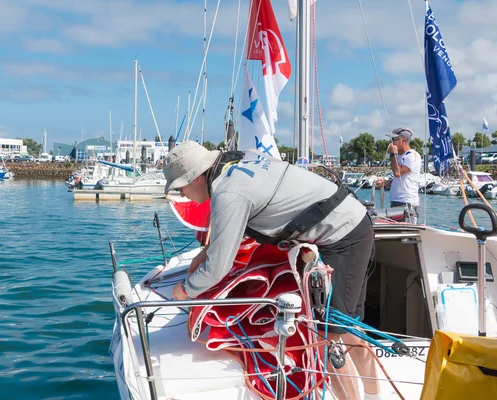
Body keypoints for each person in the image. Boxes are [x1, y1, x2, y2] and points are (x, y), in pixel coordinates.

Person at [163, 140, 381, 399]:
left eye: (181, 187)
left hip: (342, 237)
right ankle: (374, 396)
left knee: (327, 339)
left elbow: (217, 269)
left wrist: (185, 291)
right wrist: (203, 254)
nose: (183, 195)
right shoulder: (237, 162)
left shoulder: (228, 193)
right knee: (350, 330)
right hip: (355, 222)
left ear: (195, 177)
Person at [375, 127, 422, 224]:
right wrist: (387, 183)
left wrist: (393, 154)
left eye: (395, 139)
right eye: (391, 140)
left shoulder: (412, 155)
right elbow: (400, 179)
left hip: (407, 203)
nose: (392, 143)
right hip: (396, 202)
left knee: (406, 235)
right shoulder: (399, 157)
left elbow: (398, 173)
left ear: (404, 140)